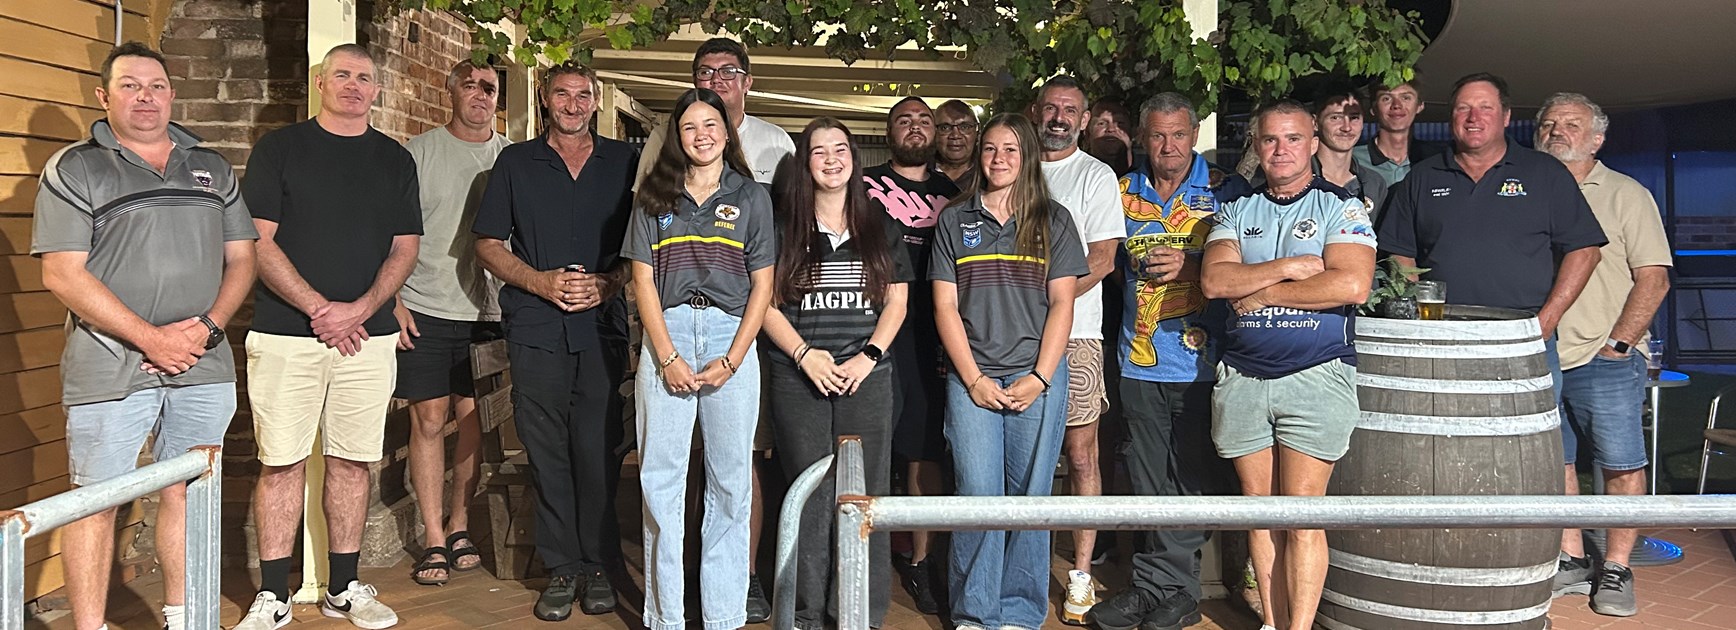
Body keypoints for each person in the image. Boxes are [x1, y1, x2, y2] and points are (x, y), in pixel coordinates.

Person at [32, 42, 257, 630]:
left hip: (202, 364)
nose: (145, 96)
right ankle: (90, 626)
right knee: (97, 502)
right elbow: (61, 272)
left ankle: (187, 618)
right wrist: (151, 339)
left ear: (171, 95)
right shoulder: (76, 168)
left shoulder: (212, 166)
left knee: (187, 494)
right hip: (109, 364)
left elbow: (242, 261)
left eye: (156, 85)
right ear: (104, 96)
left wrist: (205, 330)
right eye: (129, 85)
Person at [235, 43, 420, 630]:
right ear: (320, 81)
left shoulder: (395, 159)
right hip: (288, 334)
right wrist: (322, 310)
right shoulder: (280, 150)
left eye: (365, 78)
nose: (353, 85)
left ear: (377, 90)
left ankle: (343, 587)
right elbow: (258, 241)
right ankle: (272, 595)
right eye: (342, 74)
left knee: (352, 461)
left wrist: (361, 308)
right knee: (282, 462)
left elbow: (405, 246)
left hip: (369, 337)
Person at [1200, 100, 1377, 630]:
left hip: (1315, 375)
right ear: (1257, 145)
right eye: (1271, 140)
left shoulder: (1341, 208)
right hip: (1244, 378)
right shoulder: (1235, 209)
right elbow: (1215, 282)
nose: (1281, 149)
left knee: (1301, 515)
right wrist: (1294, 270)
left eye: (1293, 139)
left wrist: (1261, 288)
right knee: (1260, 513)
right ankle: (1274, 626)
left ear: (1314, 143)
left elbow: (1351, 283)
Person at [472, 63, 638, 619]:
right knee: (545, 452)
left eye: (583, 95)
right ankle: (561, 569)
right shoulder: (517, 162)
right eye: (562, 94)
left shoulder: (624, 162)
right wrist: (539, 281)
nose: (573, 103)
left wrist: (611, 282)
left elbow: (645, 246)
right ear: (545, 100)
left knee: (598, 450)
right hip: (537, 327)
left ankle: (597, 565)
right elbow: (489, 244)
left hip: (601, 329)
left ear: (595, 102)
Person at [634, 40, 792, 616]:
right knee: (662, 481)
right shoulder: (654, 196)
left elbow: (763, 286)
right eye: (688, 125)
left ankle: (722, 614)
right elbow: (643, 281)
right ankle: (666, 616)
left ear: (727, 131)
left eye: (710, 123)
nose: (700, 133)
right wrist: (667, 354)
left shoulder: (752, 196)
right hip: (668, 335)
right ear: (677, 136)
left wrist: (732, 358)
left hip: (731, 336)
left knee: (730, 483)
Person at [934, 113, 1088, 630]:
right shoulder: (955, 220)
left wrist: (1041, 377)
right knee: (977, 493)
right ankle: (975, 612)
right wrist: (974, 379)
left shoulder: (1054, 219)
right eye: (990, 150)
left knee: (1031, 495)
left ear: (1027, 158)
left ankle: (1020, 612)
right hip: (971, 375)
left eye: (1010, 150)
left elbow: (1062, 305)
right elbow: (944, 308)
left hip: (1036, 377)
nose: (999, 159)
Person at [1088, 92, 1233, 630]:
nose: (1168, 146)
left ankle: (1168, 587)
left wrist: (1194, 263)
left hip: (1205, 363)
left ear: (1194, 135)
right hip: (1138, 360)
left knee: (1193, 476)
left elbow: (1246, 264)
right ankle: (1161, 590)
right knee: (1149, 481)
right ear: (1142, 139)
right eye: (1157, 135)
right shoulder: (1120, 192)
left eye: (1178, 134)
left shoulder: (1224, 192)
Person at [764, 117, 911, 630]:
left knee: (865, 493)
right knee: (808, 492)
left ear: (854, 158)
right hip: (798, 375)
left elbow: (897, 300)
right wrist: (805, 355)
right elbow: (763, 303)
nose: (831, 159)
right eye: (819, 151)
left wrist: (867, 358)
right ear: (805, 163)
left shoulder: (879, 223)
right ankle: (805, 612)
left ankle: (859, 611)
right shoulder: (784, 227)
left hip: (866, 376)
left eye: (841, 149)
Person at [1376, 73, 1607, 393]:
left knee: (1531, 440)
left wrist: (1546, 322)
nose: (1473, 118)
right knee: (1441, 436)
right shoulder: (1423, 176)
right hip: (1444, 340)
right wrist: (1420, 315)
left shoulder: (1545, 173)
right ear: (1451, 117)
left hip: (1523, 338)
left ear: (1506, 116)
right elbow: (1399, 250)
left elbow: (1585, 250)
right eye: (1463, 108)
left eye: (1486, 107)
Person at [1537, 93, 1672, 618]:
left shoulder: (1624, 194)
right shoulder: (1529, 192)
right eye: (1548, 124)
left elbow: (1654, 277)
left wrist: (1619, 343)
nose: (1556, 132)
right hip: (1543, 354)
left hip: (1603, 355)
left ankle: (1616, 566)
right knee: (1558, 461)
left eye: (1571, 125)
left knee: (1620, 463)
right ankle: (1571, 559)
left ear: (1597, 138)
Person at [397, 58, 510, 588]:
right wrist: (393, 299)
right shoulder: (418, 154)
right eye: (469, 85)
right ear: (451, 92)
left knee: (471, 421)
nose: (480, 94)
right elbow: (390, 232)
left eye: (489, 87)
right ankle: (433, 535)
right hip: (424, 303)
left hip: (486, 309)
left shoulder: (511, 158)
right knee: (427, 418)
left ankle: (461, 523)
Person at [1028, 75, 1126, 625]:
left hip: (1078, 334)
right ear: (1034, 111)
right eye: (1051, 108)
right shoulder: (1011, 166)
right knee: (1026, 457)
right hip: (1010, 337)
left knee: (1081, 453)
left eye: (1070, 110)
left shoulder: (1095, 174)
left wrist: (1043, 303)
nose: (1059, 118)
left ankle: (1081, 576)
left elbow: (1104, 257)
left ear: (1085, 120)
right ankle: (1024, 564)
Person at [864, 95, 961, 615]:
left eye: (925, 120)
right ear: (889, 130)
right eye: (905, 119)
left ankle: (922, 562)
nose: (916, 127)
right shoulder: (863, 186)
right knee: (869, 452)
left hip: (932, 334)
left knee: (925, 451)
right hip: (871, 333)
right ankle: (866, 558)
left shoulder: (956, 194)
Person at [1352, 79, 1441, 184]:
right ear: (1373, 108)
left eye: (1406, 98)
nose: (1396, 105)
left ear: (1420, 106)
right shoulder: (1353, 160)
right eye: (1386, 98)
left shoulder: (1436, 159)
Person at [935, 99, 980, 188]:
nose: (955, 135)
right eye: (945, 128)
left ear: (977, 133)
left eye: (965, 127)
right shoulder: (918, 174)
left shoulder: (988, 177)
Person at [1085, 100, 1135, 175]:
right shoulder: (1075, 174)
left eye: (1120, 123)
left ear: (1133, 132)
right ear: (1087, 133)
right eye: (1101, 123)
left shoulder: (1150, 175)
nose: (1111, 129)